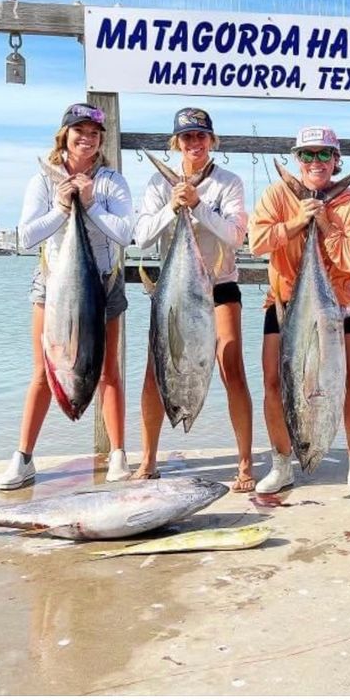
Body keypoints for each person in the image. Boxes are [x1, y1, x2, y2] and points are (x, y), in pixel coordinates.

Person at [0, 103, 134, 489]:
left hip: (104, 282)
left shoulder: (111, 182)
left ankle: (119, 455)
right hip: (54, 284)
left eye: (93, 132)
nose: (86, 138)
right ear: (65, 134)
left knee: (108, 371)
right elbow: (26, 237)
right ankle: (23, 458)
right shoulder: (43, 180)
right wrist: (61, 207)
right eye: (79, 131)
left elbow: (125, 234)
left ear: (101, 139)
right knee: (42, 372)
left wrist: (89, 204)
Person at [248, 125, 350, 500]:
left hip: (338, 304)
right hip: (287, 303)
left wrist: (325, 223)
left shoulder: (348, 201)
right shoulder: (276, 194)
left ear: (336, 161)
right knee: (273, 382)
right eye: (307, 154)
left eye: (324, 154)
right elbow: (256, 243)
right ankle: (282, 464)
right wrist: (296, 221)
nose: (315, 161)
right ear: (296, 159)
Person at [133, 107, 255, 491]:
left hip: (218, 287)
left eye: (201, 136)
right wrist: (174, 206)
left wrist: (198, 205)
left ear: (212, 140)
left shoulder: (229, 182)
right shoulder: (158, 184)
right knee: (155, 373)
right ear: (176, 143)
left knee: (230, 365)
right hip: (174, 290)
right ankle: (148, 460)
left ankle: (245, 464)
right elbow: (141, 237)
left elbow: (236, 236)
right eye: (187, 138)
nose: (194, 144)